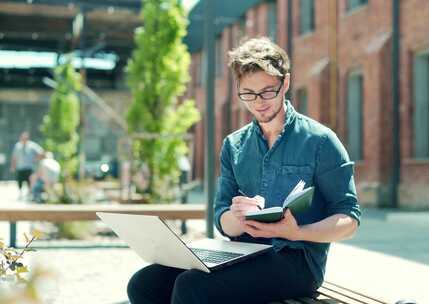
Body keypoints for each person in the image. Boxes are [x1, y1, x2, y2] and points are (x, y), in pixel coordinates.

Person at [127, 37, 362, 304]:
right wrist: (238, 218)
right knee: (144, 283)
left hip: (296, 260)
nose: (258, 102)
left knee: (192, 287)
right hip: (242, 251)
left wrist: (295, 232)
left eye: (267, 91)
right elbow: (221, 216)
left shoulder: (320, 141)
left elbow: (349, 219)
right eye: (248, 94)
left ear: (285, 83)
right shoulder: (234, 144)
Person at [10, 131, 43, 199]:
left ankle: (29, 194)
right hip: (20, 167)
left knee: (29, 181)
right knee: (19, 180)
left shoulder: (32, 145)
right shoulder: (17, 146)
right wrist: (13, 166)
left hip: (29, 167)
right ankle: (20, 193)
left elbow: (41, 152)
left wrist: (35, 159)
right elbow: (14, 157)